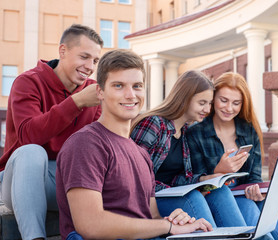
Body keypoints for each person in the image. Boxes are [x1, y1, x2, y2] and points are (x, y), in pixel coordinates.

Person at [56, 49, 212, 240]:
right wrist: (166, 226)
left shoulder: (141, 154)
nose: (131, 95)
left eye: (137, 86)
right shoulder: (86, 143)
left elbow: (151, 216)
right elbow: (90, 224)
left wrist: (176, 221)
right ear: (100, 92)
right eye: (119, 86)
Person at [0, 24, 103, 240]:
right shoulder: (28, 82)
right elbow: (28, 136)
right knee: (31, 152)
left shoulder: (94, 91)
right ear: (63, 51)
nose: (89, 66)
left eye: (94, 60)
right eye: (84, 57)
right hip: (20, 179)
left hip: (66, 179)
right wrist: (76, 102)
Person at [186, 72, 278, 240]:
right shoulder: (196, 133)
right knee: (254, 218)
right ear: (213, 98)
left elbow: (254, 176)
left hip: (244, 194)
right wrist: (220, 170)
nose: (229, 108)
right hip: (218, 197)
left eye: (236, 103)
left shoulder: (248, 130)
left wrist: (257, 189)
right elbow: (196, 183)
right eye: (223, 100)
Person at [130, 70, 249, 229]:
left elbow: (174, 179)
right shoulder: (153, 124)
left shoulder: (184, 131)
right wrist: (175, 190)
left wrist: (203, 180)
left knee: (221, 192)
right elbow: (134, 176)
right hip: (147, 200)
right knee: (193, 197)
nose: (207, 109)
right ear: (185, 99)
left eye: (209, 103)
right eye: (202, 103)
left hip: (169, 194)